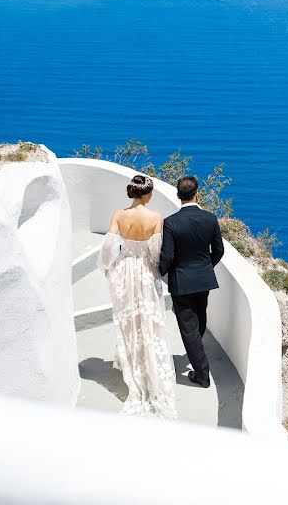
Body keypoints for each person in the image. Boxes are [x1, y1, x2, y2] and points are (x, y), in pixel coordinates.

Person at [99, 175, 178, 418]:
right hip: (144, 271)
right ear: (147, 194)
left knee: (127, 320)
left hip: (124, 270)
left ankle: (131, 362)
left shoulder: (119, 215)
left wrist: (107, 267)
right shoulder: (156, 218)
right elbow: (155, 252)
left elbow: (108, 246)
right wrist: (153, 268)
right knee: (149, 319)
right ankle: (150, 367)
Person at [159, 175, 225, 389]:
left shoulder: (170, 222)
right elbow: (219, 251)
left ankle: (202, 375)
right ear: (198, 193)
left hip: (182, 282)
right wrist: (206, 267)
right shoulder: (211, 218)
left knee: (189, 329)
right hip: (203, 280)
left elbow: (167, 256)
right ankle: (197, 354)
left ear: (178, 196)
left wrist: (161, 272)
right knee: (200, 320)